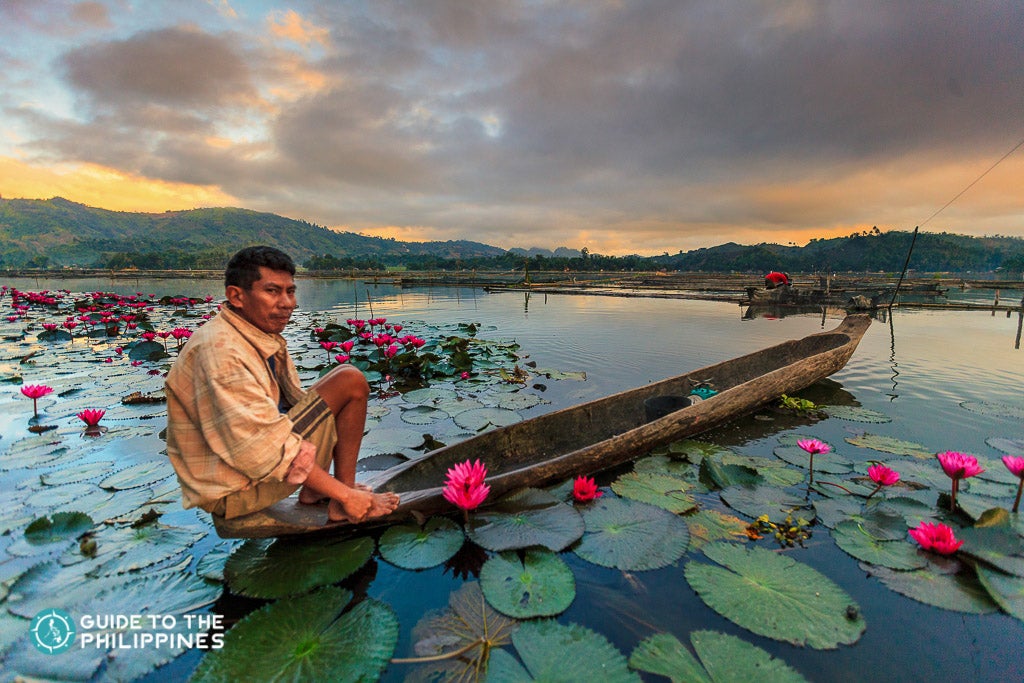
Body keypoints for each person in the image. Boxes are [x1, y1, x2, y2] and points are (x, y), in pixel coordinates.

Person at [165, 246, 399, 524]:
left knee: (348, 378)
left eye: (290, 291)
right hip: (233, 489)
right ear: (236, 296)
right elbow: (263, 451)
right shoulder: (223, 352)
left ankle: (321, 492)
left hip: (241, 466)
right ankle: (342, 499)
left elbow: (285, 411)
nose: (287, 303)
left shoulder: (252, 331)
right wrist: (349, 498)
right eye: (272, 291)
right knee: (351, 382)